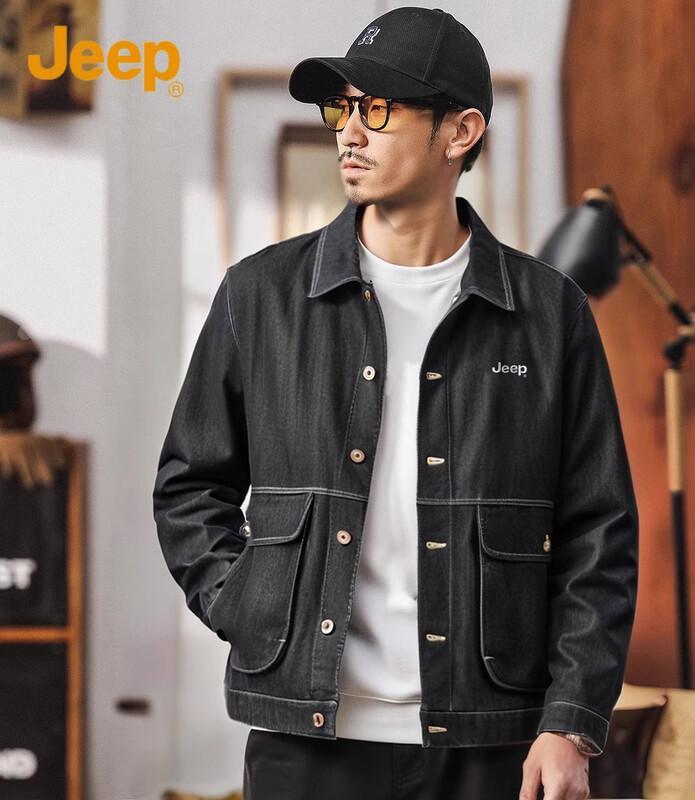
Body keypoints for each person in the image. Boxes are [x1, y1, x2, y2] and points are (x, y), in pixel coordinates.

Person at [153, 7, 638, 800]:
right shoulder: (262, 296)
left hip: (493, 738)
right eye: (342, 108)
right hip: (307, 742)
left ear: (461, 131)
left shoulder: (549, 315)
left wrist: (571, 722)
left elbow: (599, 533)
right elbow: (188, 486)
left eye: (378, 109)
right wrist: (249, 603)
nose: (349, 132)